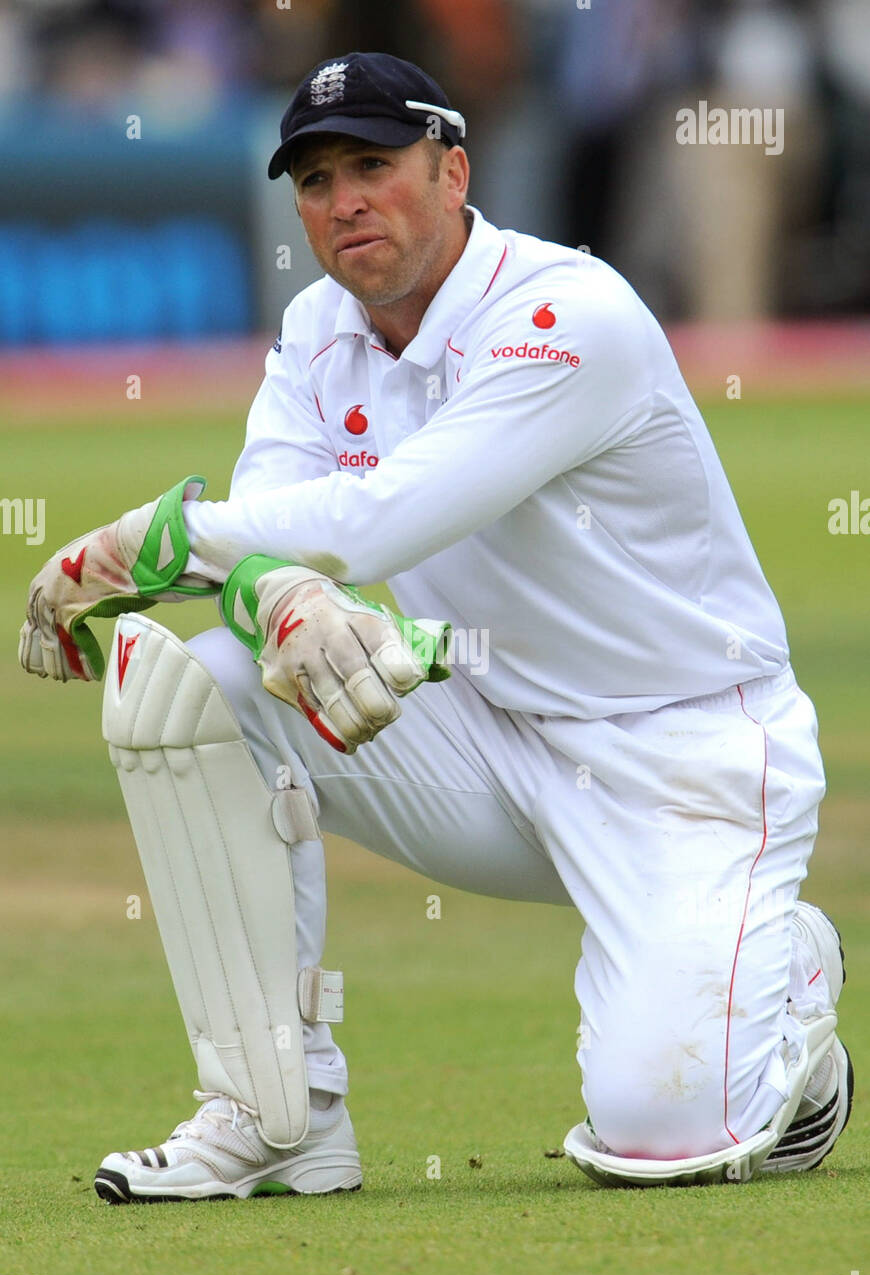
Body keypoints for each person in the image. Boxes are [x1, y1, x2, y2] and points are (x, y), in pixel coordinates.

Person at [19, 52, 851, 1199]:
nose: (343, 199)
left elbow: (376, 519)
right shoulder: (319, 328)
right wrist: (286, 597)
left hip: (687, 760)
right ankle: (278, 1112)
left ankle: (790, 976)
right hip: (494, 735)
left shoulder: (567, 314)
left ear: (454, 169)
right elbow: (279, 532)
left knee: (658, 1132)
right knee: (206, 685)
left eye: (374, 164)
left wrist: (140, 547)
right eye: (314, 179)